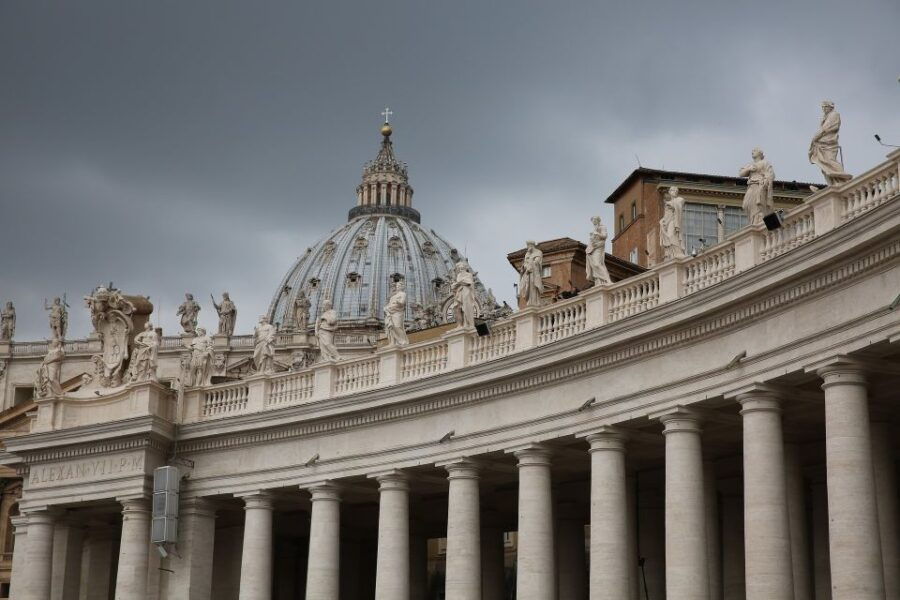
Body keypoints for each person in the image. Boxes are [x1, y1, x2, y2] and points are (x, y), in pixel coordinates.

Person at [809, 100, 852, 185]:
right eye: (822, 107)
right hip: (822, 141)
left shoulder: (834, 115)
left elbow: (827, 128)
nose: (823, 109)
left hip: (829, 141)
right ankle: (832, 184)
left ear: (830, 107)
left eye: (825, 106)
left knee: (830, 161)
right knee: (823, 165)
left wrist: (816, 136)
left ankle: (843, 178)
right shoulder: (826, 116)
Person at [739, 148, 775, 225]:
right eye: (752, 151)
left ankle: (756, 222)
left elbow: (771, 175)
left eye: (755, 150)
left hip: (759, 186)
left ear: (760, 154)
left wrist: (765, 181)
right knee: (746, 205)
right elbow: (741, 174)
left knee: (757, 205)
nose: (752, 151)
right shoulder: (750, 164)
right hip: (751, 186)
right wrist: (749, 169)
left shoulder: (765, 163)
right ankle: (752, 221)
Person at [659, 187, 687, 260]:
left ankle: (678, 252)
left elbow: (679, 207)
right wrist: (662, 221)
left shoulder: (680, 199)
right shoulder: (668, 202)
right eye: (672, 190)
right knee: (668, 236)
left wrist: (671, 204)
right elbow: (666, 214)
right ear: (669, 192)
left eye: (676, 191)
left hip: (674, 221)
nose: (674, 192)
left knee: (671, 235)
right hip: (668, 221)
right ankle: (670, 253)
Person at [586, 216, 612, 283]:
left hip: (599, 245)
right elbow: (591, 239)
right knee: (593, 265)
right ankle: (598, 281)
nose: (593, 222)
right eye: (592, 220)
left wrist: (597, 233)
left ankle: (607, 279)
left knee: (597, 263)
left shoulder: (602, 227)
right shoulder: (594, 228)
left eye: (594, 220)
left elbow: (604, 236)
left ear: (598, 220)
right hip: (592, 247)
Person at [451, 260, 476, 329]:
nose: (460, 269)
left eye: (461, 267)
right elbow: (455, 286)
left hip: (465, 292)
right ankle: (460, 325)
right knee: (456, 308)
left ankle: (467, 324)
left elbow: (469, 282)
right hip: (459, 293)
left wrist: (458, 283)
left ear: (465, 267)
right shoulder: (458, 275)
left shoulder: (468, 275)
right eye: (459, 268)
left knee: (466, 307)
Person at [384, 281, 409, 346]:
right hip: (390, 313)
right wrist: (386, 308)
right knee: (391, 327)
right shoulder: (393, 296)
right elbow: (389, 304)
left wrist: (398, 302)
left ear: (402, 287)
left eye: (399, 286)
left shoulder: (403, 294)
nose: (397, 287)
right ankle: (393, 342)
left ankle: (402, 341)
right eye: (397, 286)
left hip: (398, 312)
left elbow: (402, 302)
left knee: (397, 326)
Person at [518, 241, 544, 307]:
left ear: (532, 246)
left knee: (534, 287)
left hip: (534, 273)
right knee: (528, 287)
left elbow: (537, 261)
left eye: (528, 246)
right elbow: (525, 263)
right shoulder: (527, 254)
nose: (528, 248)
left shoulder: (538, 252)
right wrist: (526, 266)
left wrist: (532, 264)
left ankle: (535, 302)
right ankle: (530, 302)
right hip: (528, 273)